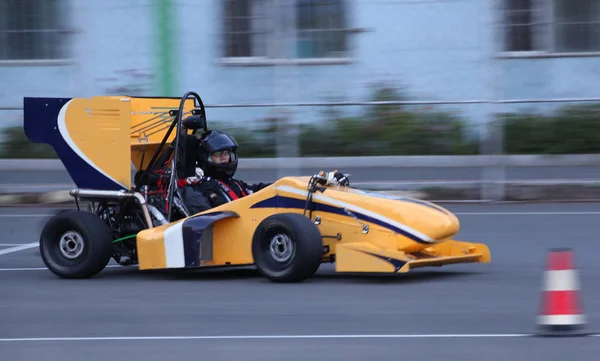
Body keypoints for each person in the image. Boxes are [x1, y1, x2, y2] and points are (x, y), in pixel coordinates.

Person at [181, 129, 271, 213]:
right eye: (217, 154)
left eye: (226, 152)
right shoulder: (205, 187)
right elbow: (222, 209)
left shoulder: (235, 183)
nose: (223, 156)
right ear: (207, 158)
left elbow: (258, 190)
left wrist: (280, 185)